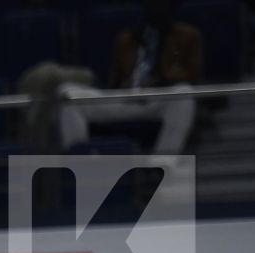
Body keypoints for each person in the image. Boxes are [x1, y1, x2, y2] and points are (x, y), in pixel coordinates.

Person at [58, 0, 201, 155]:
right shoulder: (127, 38)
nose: (157, 7)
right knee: (67, 93)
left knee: (184, 92)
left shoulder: (188, 36)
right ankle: (79, 160)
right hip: (125, 97)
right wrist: (126, 86)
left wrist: (161, 78)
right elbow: (114, 82)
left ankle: (163, 162)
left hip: (158, 97)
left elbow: (193, 74)